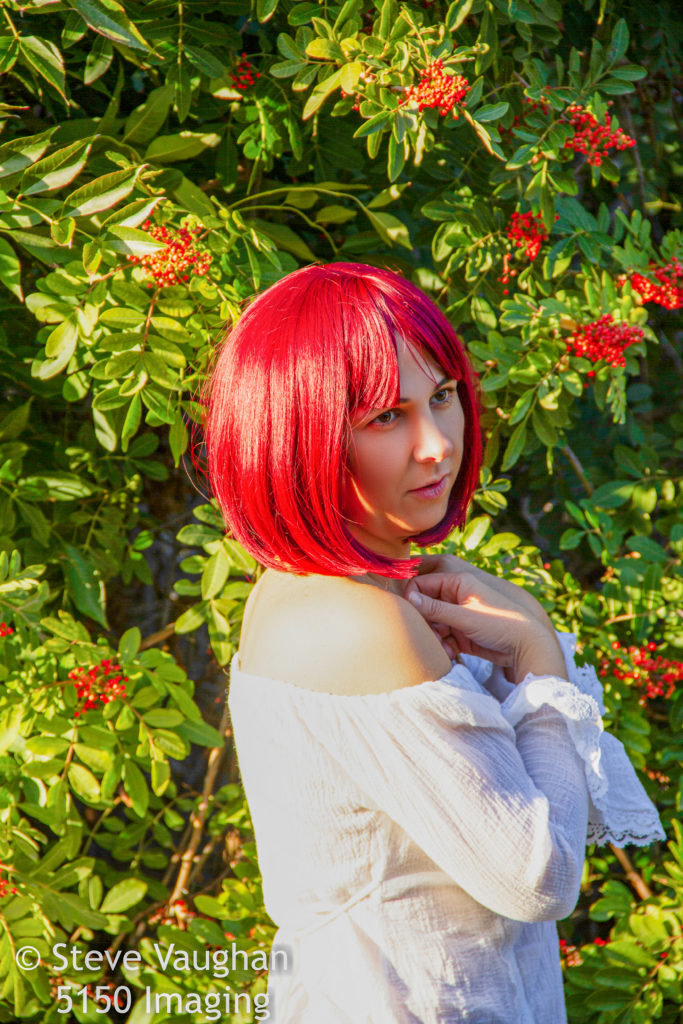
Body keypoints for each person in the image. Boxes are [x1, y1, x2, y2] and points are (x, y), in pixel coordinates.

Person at [202, 262, 664, 1024]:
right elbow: (537, 876)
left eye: (442, 397)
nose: (436, 446)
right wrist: (538, 659)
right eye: (387, 416)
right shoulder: (350, 619)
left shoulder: (340, 589)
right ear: (299, 434)